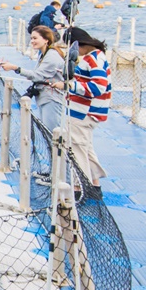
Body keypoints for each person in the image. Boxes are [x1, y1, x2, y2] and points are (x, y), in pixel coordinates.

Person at [50, 26, 111, 187]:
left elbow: (99, 87)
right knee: (86, 149)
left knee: (77, 151)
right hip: (87, 112)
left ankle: (80, 188)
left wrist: (68, 85)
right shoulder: (98, 56)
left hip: (84, 112)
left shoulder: (92, 59)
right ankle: (95, 184)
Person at [0, 25, 65, 133]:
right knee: (48, 133)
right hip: (45, 99)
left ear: (46, 40)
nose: (32, 41)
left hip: (52, 99)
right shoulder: (43, 54)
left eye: (35, 38)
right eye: (31, 38)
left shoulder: (52, 56)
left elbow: (37, 76)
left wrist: (15, 68)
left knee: (53, 133)